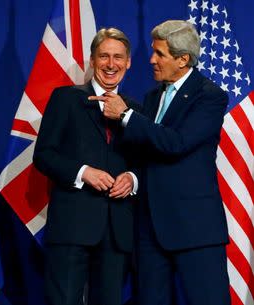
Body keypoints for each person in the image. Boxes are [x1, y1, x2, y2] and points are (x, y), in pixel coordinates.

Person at [96, 20, 231, 305]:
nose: (151, 60)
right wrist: (132, 176)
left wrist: (127, 116)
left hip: (194, 229)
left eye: (160, 54)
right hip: (150, 229)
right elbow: (147, 150)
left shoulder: (209, 96)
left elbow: (176, 143)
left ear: (183, 59)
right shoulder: (153, 96)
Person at [33, 28, 139, 305]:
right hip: (72, 226)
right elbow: (44, 155)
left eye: (118, 57)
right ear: (92, 60)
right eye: (104, 56)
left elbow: (145, 163)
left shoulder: (137, 110)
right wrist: (83, 172)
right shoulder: (65, 99)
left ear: (128, 62)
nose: (111, 64)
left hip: (117, 231)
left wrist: (132, 178)